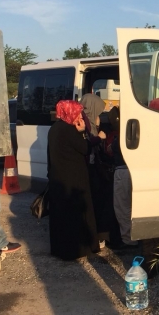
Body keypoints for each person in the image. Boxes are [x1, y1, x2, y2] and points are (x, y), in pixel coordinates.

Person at [47, 100, 99, 260]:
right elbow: (85, 148)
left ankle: (59, 249)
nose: (79, 115)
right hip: (74, 179)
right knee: (76, 213)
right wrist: (83, 132)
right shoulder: (70, 130)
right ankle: (79, 249)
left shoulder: (54, 129)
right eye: (76, 112)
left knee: (60, 216)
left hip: (57, 179)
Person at [80, 93, 118, 248]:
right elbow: (88, 145)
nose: (100, 115)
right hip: (88, 169)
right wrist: (99, 136)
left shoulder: (89, 122)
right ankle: (98, 236)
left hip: (92, 168)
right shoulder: (83, 124)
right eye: (99, 111)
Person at [110, 107, 139, 250]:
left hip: (122, 172)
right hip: (135, 172)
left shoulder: (122, 134)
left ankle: (128, 240)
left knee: (123, 207)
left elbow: (111, 149)